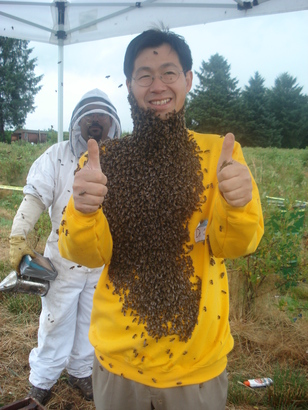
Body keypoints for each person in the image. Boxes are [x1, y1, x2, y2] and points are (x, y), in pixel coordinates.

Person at [58, 30, 264, 410]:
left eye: (168, 73)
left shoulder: (221, 153)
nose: (157, 85)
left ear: (187, 79)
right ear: (129, 85)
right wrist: (83, 211)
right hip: (119, 362)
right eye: (144, 75)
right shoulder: (102, 160)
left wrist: (237, 204)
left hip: (195, 365)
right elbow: (87, 255)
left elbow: (234, 245)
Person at [9, 89, 121, 405]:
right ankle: (42, 381)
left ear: (111, 122)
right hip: (64, 256)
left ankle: (80, 371)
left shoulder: (119, 161)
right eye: (89, 117)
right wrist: (18, 238)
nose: (95, 123)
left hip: (101, 258)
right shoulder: (56, 156)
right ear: (77, 123)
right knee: (55, 320)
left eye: (101, 117)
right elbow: (35, 197)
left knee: (90, 319)